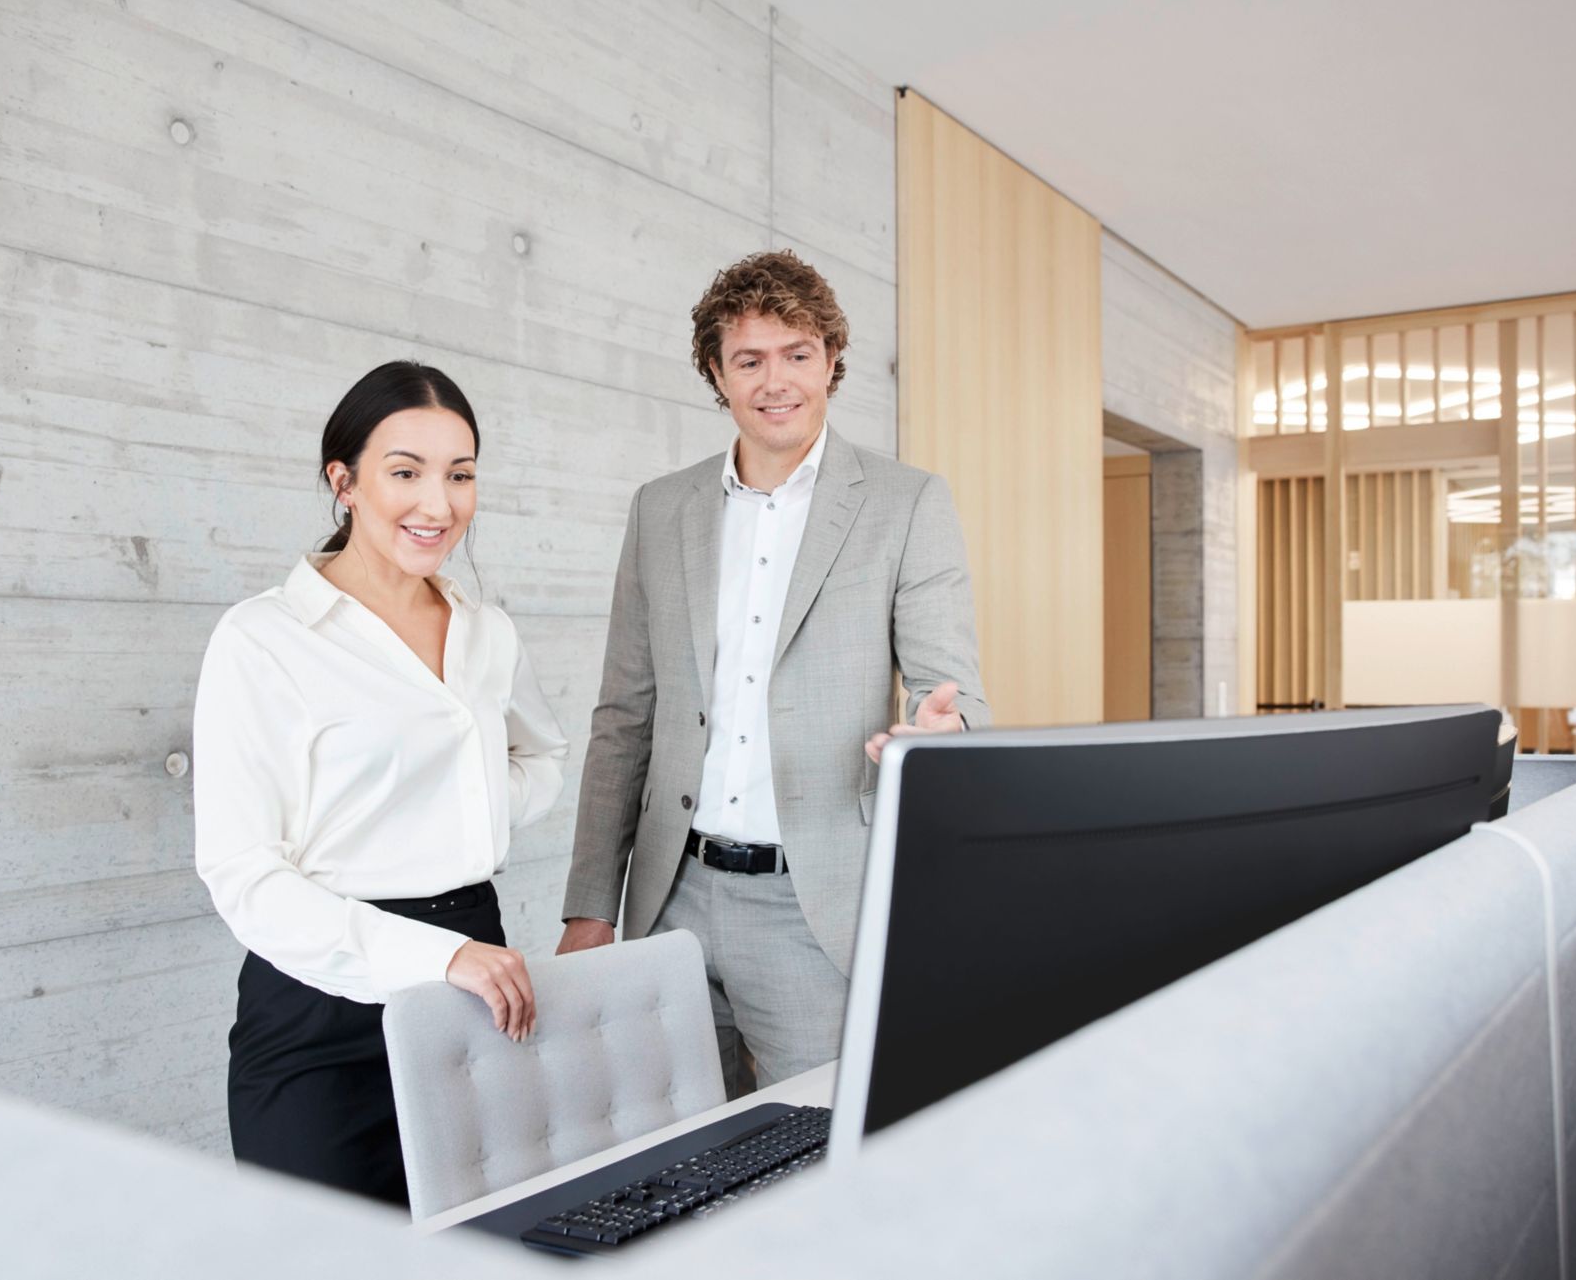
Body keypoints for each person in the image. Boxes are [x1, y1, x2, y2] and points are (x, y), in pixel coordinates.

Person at [557, 250, 988, 1094]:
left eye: (796, 352)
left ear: (831, 358)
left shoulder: (907, 504)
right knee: (669, 1160)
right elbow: (624, 716)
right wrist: (588, 905)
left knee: (815, 1157)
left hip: (814, 907)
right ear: (717, 373)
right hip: (667, 899)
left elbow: (956, 693)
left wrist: (942, 736)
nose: (775, 379)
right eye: (748, 359)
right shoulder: (660, 508)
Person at [192, 360, 567, 1206]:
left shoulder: (486, 632)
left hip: (481, 982)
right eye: (405, 471)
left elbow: (541, 755)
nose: (438, 504)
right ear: (344, 481)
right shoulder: (263, 639)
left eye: (460, 474)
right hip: (320, 1007)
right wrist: (442, 956)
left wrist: (462, 817)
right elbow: (243, 874)